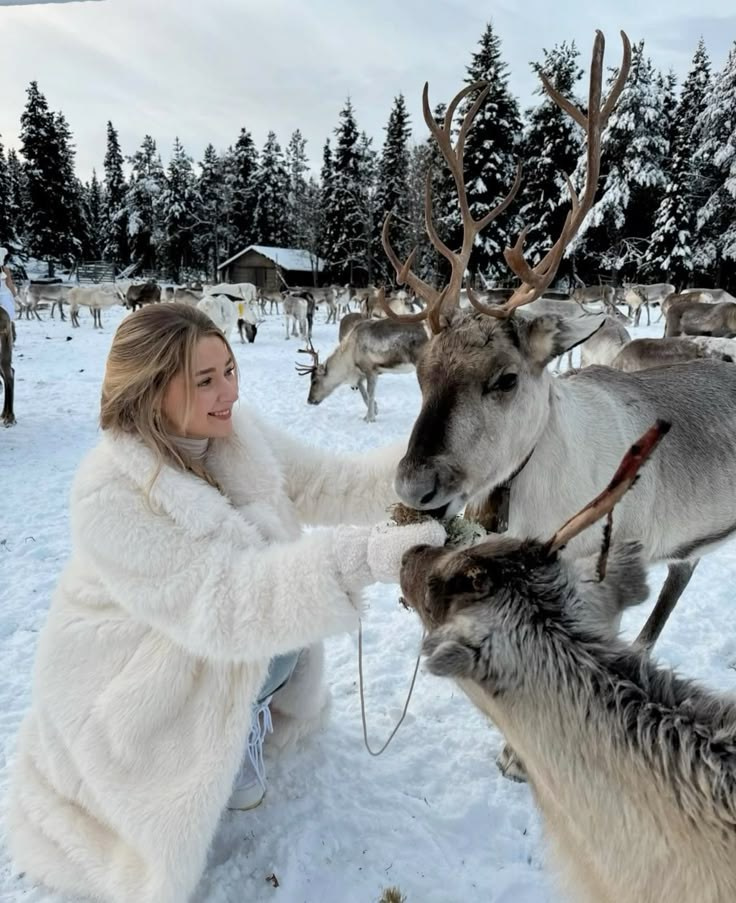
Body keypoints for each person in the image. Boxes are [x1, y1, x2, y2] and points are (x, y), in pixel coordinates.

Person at [7, 303, 445, 903]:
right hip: (128, 684)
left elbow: (329, 483)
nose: (228, 392)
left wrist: (441, 460)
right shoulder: (109, 493)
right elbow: (227, 605)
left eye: (230, 370)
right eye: (205, 380)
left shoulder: (236, 433)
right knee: (262, 628)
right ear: (149, 392)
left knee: (280, 631)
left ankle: (245, 716)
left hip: (213, 642)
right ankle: (204, 742)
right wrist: (359, 558)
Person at [0, 247, 18, 322]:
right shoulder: (5, 269)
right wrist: (14, 295)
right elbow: (9, 283)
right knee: (9, 314)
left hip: (4, 294)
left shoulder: (5, 270)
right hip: (4, 294)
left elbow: (9, 283)